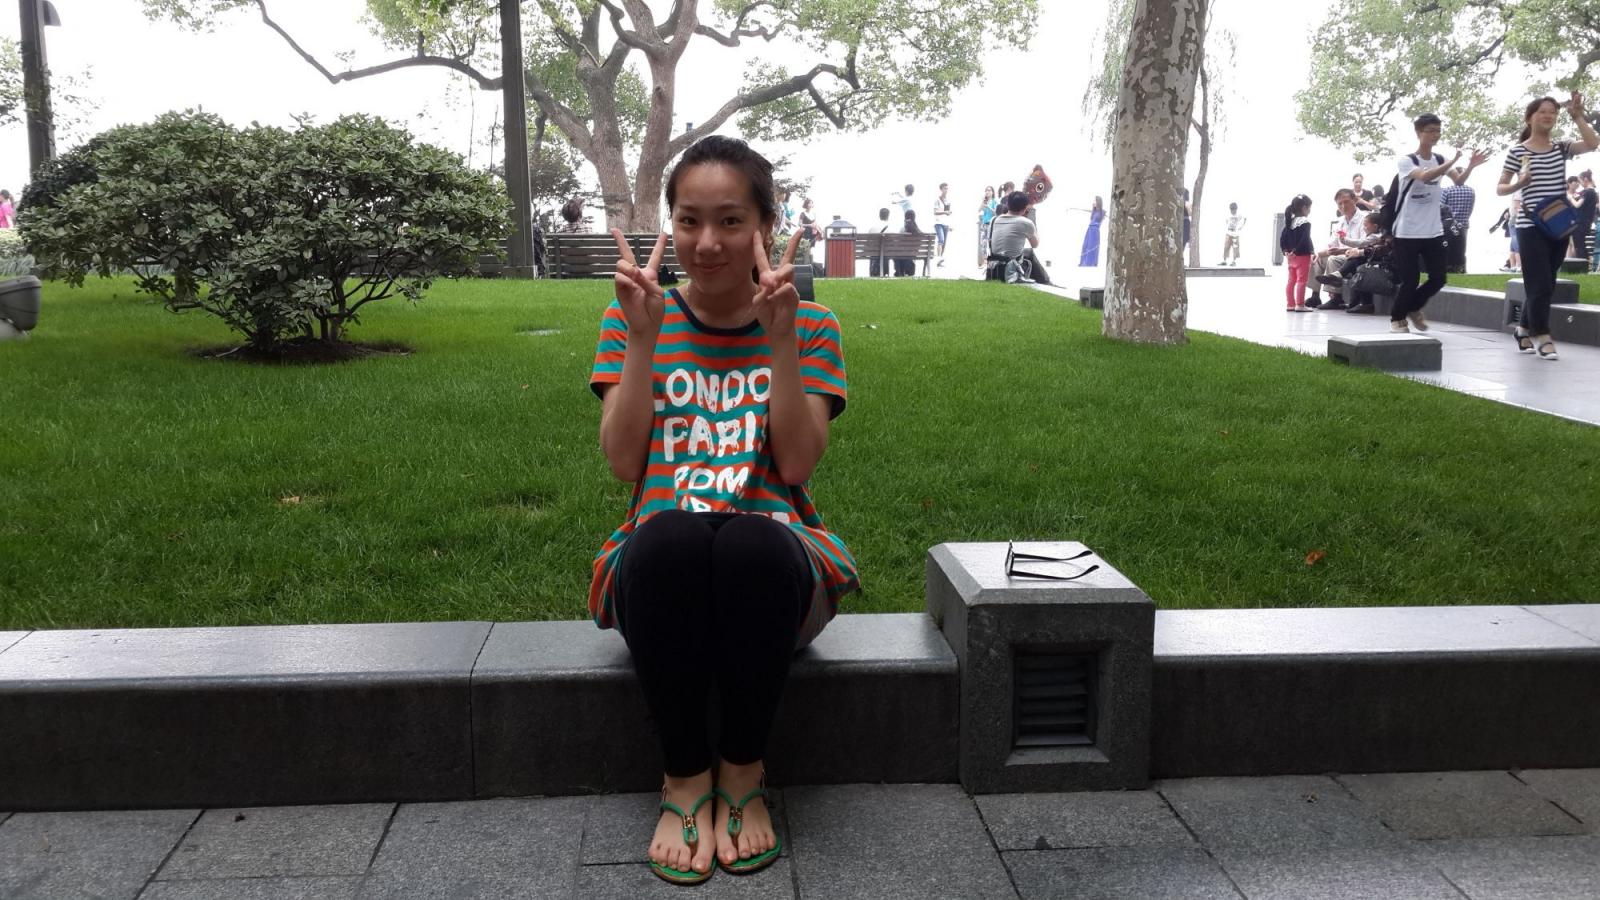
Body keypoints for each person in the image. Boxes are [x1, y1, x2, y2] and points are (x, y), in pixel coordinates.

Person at [591, 134, 858, 885]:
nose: (706, 243)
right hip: (659, 573)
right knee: (670, 536)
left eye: (731, 221)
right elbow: (623, 463)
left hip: (774, 575)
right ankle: (684, 779)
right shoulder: (632, 317)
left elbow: (796, 464)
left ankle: (742, 772)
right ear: (670, 225)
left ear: (766, 226)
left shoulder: (812, 326)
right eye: (689, 220)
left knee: (749, 542)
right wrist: (642, 341)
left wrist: (781, 342)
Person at [1499, 93, 1598, 360]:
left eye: (1552, 112)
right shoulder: (1518, 152)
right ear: (1530, 118)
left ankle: (1523, 328)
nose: (1548, 116)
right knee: (1539, 283)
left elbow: (1592, 144)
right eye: (1542, 111)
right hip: (1530, 225)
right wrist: (1520, 183)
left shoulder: (1560, 148)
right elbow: (1500, 187)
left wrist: (1578, 117)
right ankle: (1542, 335)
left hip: (1558, 225)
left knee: (1547, 282)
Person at [1389, 113, 1491, 333]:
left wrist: (1470, 166)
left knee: (1439, 278)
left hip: (1433, 230)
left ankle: (1413, 306)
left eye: (1438, 131)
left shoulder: (1440, 159)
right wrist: (1451, 162)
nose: (1435, 135)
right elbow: (1424, 176)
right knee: (1410, 279)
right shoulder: (1407, 161)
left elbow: (1459, 181)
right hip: (1407, 231)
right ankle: (1397, 318)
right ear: (1419, 133)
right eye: (1431, 131)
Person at [1309, 189, 1365, 308]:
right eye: (1340, 204)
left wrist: (1341, 251)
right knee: (1317, 258)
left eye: (1346, 202)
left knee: (1332, 259)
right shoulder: (1340, 222)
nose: (1343, 206)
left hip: (1356, 255)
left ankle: (1336, 298)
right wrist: (1319, 253)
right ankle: (1315, 295)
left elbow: (1364, 244)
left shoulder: (1364, 218)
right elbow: (1331, 243)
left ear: (1355, 200)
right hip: (1341, 253)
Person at [988, 190, 1051, 285]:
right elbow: (1035, 244)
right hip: (1009, 270)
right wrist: (1031, 218)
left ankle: (1045, 281)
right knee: (1030, 253)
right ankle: (1046, 282)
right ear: (1025, 208)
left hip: (994, 267)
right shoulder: (1026, 223)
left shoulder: (994, 220)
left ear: (1008, 204)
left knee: (1027, 253)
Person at [1279, 194, 1314, 311]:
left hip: (1290, 258)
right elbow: (1305, 239)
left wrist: (1286, 252)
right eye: (1309, 208)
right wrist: (1298, 251)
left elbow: (1282, 239)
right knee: (1301, 281)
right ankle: (1300, 305)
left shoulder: (1289, 222)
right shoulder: (1305, 222)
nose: (1309, 210)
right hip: (1302, 256)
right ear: (1304, 208)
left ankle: (1290, 304)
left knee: (1291, 281)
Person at [1574, 170, 1597, 261]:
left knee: (1579, 245)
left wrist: (1571, 198)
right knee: (1581, 244)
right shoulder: (1592, 192)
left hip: (1581, 222)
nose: (1580, 184)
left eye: (1580, 181)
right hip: (1587, 221)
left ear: (1585, 179)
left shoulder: (1587, 192)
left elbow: (1577, 205)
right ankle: (1586, 262)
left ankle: (1583, 263)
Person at [1079, 196, 1104, 267]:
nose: (1093, 203)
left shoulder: (1102, 212)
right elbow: (1091, 220)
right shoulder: (1094, 211)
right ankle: (1083, 262)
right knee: (1085, 245)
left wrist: (1096, 228)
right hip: (1090, 229)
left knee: (1092, 246)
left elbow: (1100, 223)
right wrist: (1093, 209)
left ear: (1098, 202)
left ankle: (1090, 263)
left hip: (1094, 230)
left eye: (1095, 201)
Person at [977, 186, 998, 267]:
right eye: (986, 191)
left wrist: (988, 207)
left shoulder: (994, 201)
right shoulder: (984, 202)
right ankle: (985, 261)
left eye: (989, 190)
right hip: (984, 224)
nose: (987, 192)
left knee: (991, 243)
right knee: (983, 243)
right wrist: (983, 203)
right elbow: (979, 210)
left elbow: (996, 213)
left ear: (992, 192)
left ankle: (991, 262)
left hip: (991, 224)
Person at [868, 206, 892, 277]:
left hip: (874, 253)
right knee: (885, 252)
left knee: (875, 252)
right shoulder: (891, 228)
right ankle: (885, 272)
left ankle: (873, 272)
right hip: (886, 253)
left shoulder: (872, 227)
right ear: (888, 216)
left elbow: (868, 243)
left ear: (879, 216)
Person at [932, 182, 952, 267]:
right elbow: (935, 212)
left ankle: (939, 262)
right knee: (941, 240)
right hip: (938, 223)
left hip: (946, 223)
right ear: (941, 189)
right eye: (944, 188)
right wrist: (944, 212)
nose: (946, 190)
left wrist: (950, 224)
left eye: (947, 188)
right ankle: (938, 258)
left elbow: (947, 213)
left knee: (944, 243)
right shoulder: (937, 200)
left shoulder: (948, 200)